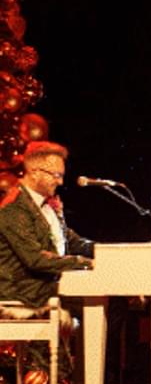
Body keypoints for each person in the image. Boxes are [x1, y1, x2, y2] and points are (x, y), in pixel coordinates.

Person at [0, 141, 93, 335]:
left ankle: (93, 363)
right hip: (24, 292)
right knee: (95, 301)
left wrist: (103, 252)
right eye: (56, 175)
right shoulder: (14, 208)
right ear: (35, 172)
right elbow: (35, 258)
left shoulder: (47, 204)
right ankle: (73, 364)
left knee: (110, 300)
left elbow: (70, 240)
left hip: (45, 287)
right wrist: (84, 263)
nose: (60, 182)